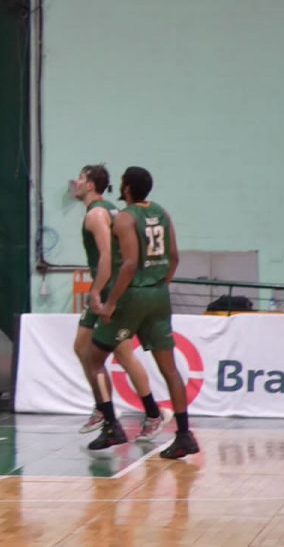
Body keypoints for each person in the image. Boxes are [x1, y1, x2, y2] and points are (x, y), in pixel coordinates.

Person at [86, 166, 200, 459]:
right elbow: (174, 256)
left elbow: (129, 264)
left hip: (133, 295)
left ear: (126, 188)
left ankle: (111, 425)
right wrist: (162, 281)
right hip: (159, 294)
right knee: (170, 369)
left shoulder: (126, 218)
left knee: (93, 358)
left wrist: (111, 303)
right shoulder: (162, 212)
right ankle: (184, 435)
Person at [71, 164, 171, 439]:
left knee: (106, 352)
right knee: (93, 349)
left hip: (109, 289)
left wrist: (98, 291)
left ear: (91, 185)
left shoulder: (96, 214)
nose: (75, 182)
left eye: (80, 178)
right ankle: (118, 409)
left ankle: (129, 413)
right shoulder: (110, 210)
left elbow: (107, 255)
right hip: (111, 286)